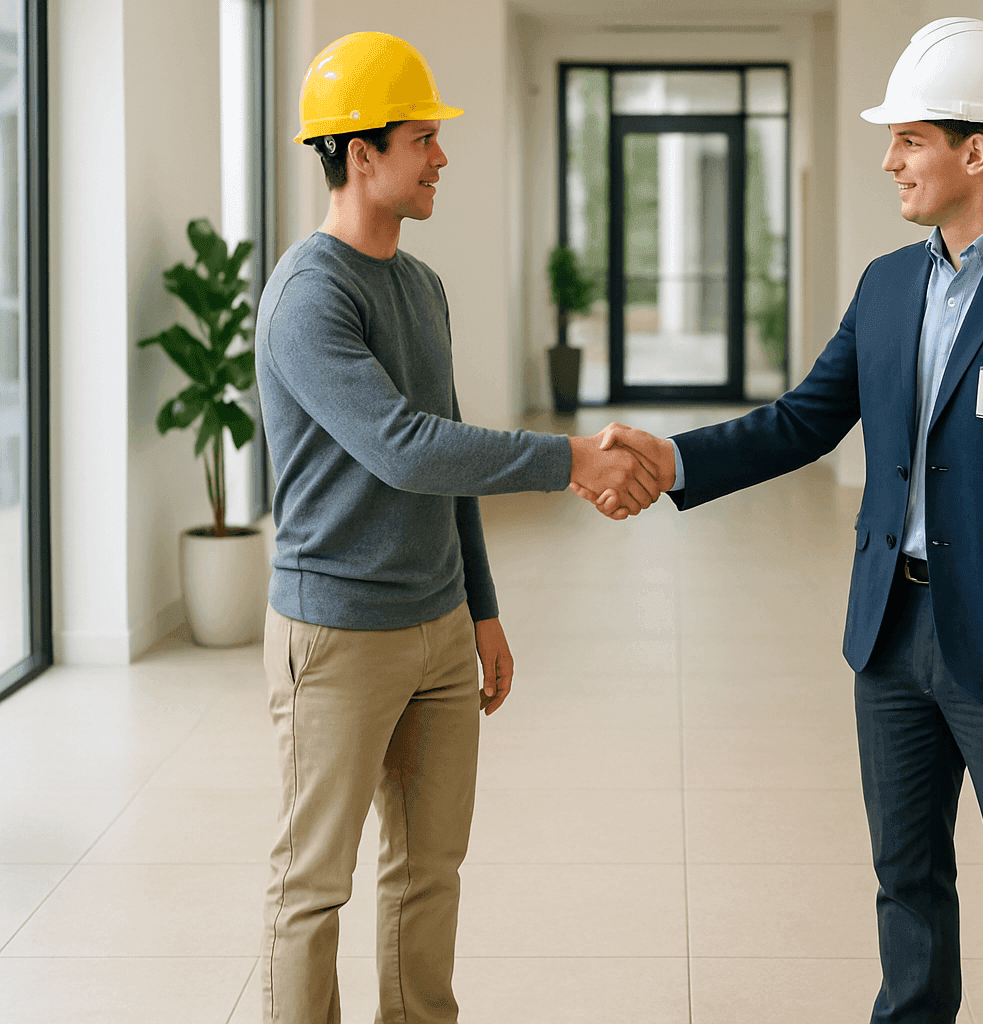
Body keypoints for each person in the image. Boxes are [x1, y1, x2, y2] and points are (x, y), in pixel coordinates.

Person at [583, 18, 983, 1023]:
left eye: (909, 140)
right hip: (890, 635)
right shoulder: (887, 286)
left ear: (978, 150)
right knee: (905, 881)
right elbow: (802, 421)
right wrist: (674, 460)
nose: (889, 162)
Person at [254, 31, 661, 1024]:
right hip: (337, 634)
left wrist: (480, 608)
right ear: (362, 154)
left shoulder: (422, 287)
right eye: (423, 139)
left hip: (437, 628)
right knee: (314, 884)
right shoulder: (308, 299)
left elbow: (443, 464)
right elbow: (404, 447)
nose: (442, 158)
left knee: (428, 871)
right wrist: (568, 457)